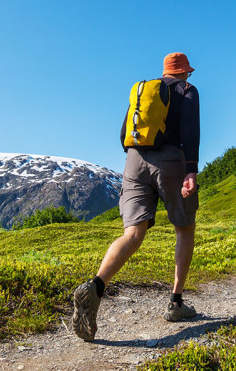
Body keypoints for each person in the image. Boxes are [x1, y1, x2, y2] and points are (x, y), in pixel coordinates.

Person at [71, 52, 201, 342]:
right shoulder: (187, 90)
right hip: (171, 161)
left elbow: (123, 134)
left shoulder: (145, 91)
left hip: (134, 160)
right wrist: (189, 170)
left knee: (133, 232)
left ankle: (96, 285)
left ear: (165, 71)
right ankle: (176, 302)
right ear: (184, 72)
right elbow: (191, 131)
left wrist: (140, 159)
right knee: (184, 227)